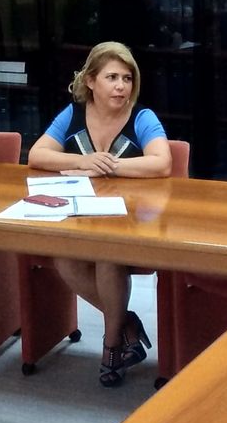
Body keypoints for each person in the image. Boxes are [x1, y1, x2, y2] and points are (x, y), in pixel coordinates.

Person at [28, 42, 172, 387]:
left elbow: (162, 162)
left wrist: (109, 166)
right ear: (91, 81)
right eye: (112, 78)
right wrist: (83, 161)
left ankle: (112, 344)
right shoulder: (73, 114)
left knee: (107, 257)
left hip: (132, 222)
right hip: (83, 217)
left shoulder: (142, 116)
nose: (121, 86)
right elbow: (37, 155)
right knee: (64, 258)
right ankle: (127, 324)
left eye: (127, 78)